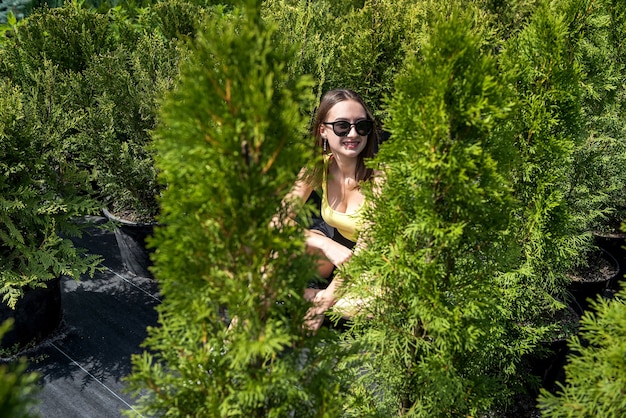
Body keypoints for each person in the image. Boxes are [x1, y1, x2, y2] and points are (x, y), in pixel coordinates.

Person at [282, 89, 381, 331]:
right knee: (272, 255)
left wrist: (323, 302)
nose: (353, 133)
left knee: (370, 307)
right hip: (338, 255)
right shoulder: (317, 167)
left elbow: (365, 253)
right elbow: (278, 220)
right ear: (323, 130)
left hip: (375, 262)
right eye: (342, 126)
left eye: (362, 126)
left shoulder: (380, 178)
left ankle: (304, 296)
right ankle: (237, 336)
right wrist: (325, 244)